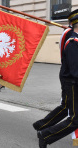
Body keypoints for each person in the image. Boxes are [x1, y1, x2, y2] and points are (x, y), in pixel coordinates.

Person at [33, 10, 76, 139]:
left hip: (69, 73)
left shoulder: (68, 32)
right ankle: (43, 128)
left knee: (67, 106)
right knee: (66, 106)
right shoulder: (69, 34)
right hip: (69, 74)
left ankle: (41, 125)